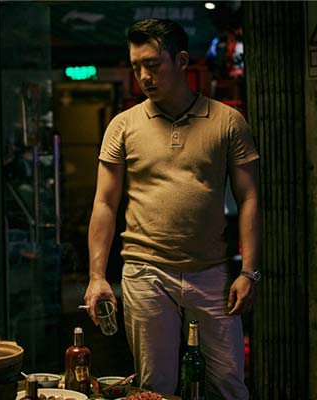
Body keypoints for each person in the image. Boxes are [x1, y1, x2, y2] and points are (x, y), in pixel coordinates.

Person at [84, 19, 261, 400]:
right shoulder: (123, 126)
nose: (144, 76)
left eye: (153, 64)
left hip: (211, 272)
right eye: (136, 67)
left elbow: (249, 197)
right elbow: (104, 203)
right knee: (155, 387)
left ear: (181, 60)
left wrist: (250, 271)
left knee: (229, 384)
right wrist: (97, 276)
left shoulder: (227, 121)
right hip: (145, 272)